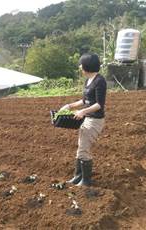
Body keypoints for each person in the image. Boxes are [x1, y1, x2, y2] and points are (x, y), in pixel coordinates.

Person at [60, 53, 107, 186]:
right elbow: (84, 100)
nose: (80, 67)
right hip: (87, 119)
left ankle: (86, 181)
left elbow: (99, 104)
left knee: (83, 150)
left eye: (81, 64)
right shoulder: (88, 80)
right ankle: (77, 176)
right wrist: (69, 106)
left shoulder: (99, 81)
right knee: (81, 148)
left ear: (87, 66)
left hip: (95, 120)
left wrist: (83, 111)